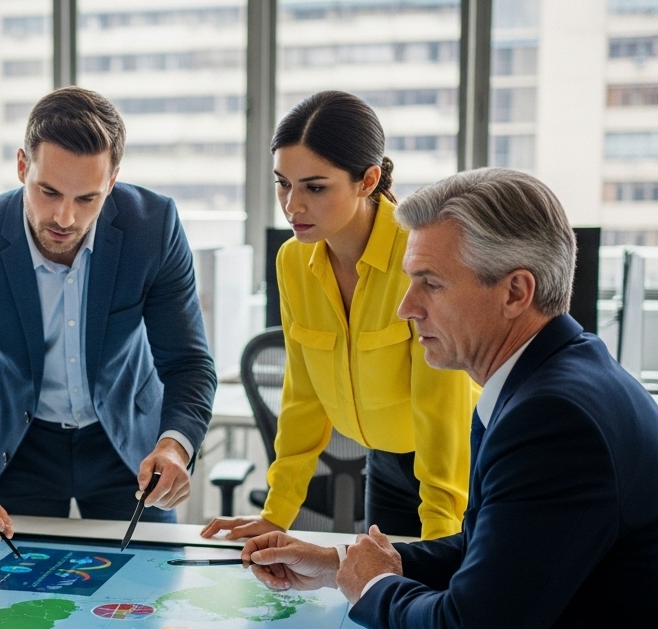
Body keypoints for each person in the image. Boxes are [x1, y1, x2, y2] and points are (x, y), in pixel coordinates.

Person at [237, 168, 658, 629]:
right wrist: (342, 566)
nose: (406, 308)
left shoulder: (555, 419)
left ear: (515, 291)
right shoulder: (549, 379)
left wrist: (373, 588)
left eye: (430, 284)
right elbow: (492, 549)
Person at [0, 86, 216, 544]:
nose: (64, 217)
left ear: (113, 180)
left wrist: (175, 446)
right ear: (23, 166)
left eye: (87, 199)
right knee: (13, 603)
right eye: (48, 191)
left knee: (149, 595)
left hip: (128, 446)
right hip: (19, 448)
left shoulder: (153, 227)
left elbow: (187, 363)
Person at [203, 91, 475, 542]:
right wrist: (277, 512)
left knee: (442, 595)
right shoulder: (293, 261)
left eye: (314, 187)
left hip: (457, 461)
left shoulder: (419, 255)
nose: (292, 205)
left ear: (367, 180)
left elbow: (439, 407)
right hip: (385, 460)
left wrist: (441, 538)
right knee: (386, 597)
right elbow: (303, 394)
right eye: (282, 183)